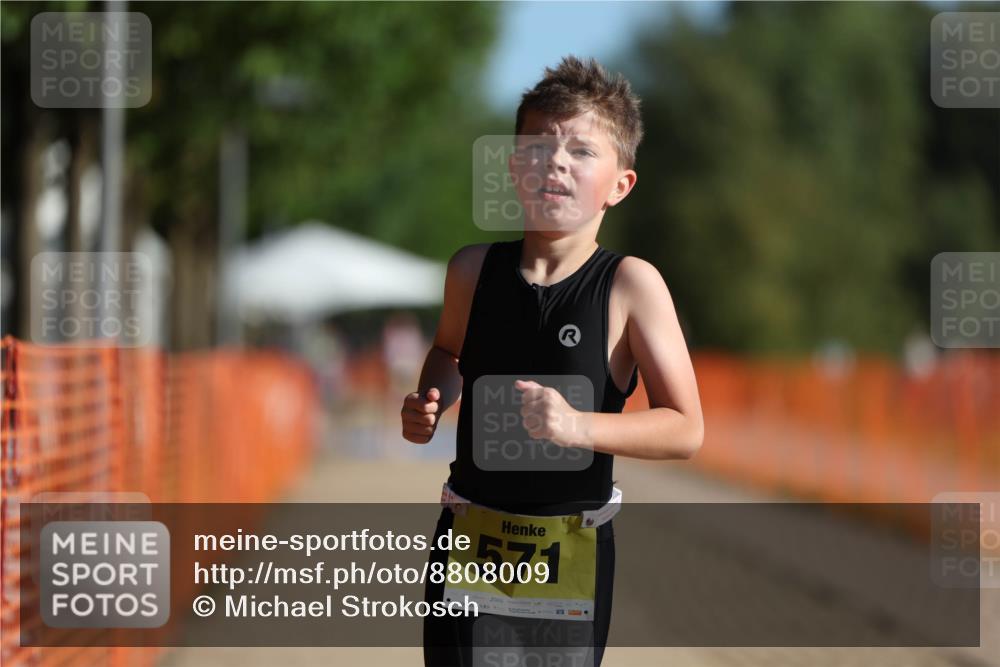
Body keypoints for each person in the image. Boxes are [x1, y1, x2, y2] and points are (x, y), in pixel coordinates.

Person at [401, 55, 704, 667]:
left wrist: (577, 426)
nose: (556, 162)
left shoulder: (630, 286)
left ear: (621, 184)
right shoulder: (471, 271)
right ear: (515, 168)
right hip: (469, 539)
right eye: (539, 146)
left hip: (571, 554)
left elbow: (685, 427)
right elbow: (446, 352)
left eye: (582, 151)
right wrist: (429, 401)